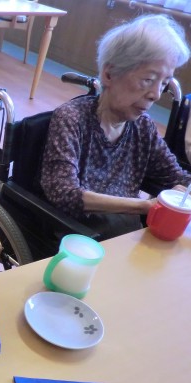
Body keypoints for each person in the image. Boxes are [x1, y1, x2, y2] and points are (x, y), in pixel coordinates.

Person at [40, 14, 191, 239]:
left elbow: (177, 178)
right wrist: (144, 206)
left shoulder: (143, 127)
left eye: (164, 83)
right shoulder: (72, 118)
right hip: (75, 238)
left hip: (123, 235)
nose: (156, 94)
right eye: (148, 80)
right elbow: (65, 194)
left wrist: (182, 189)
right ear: (109, 74)